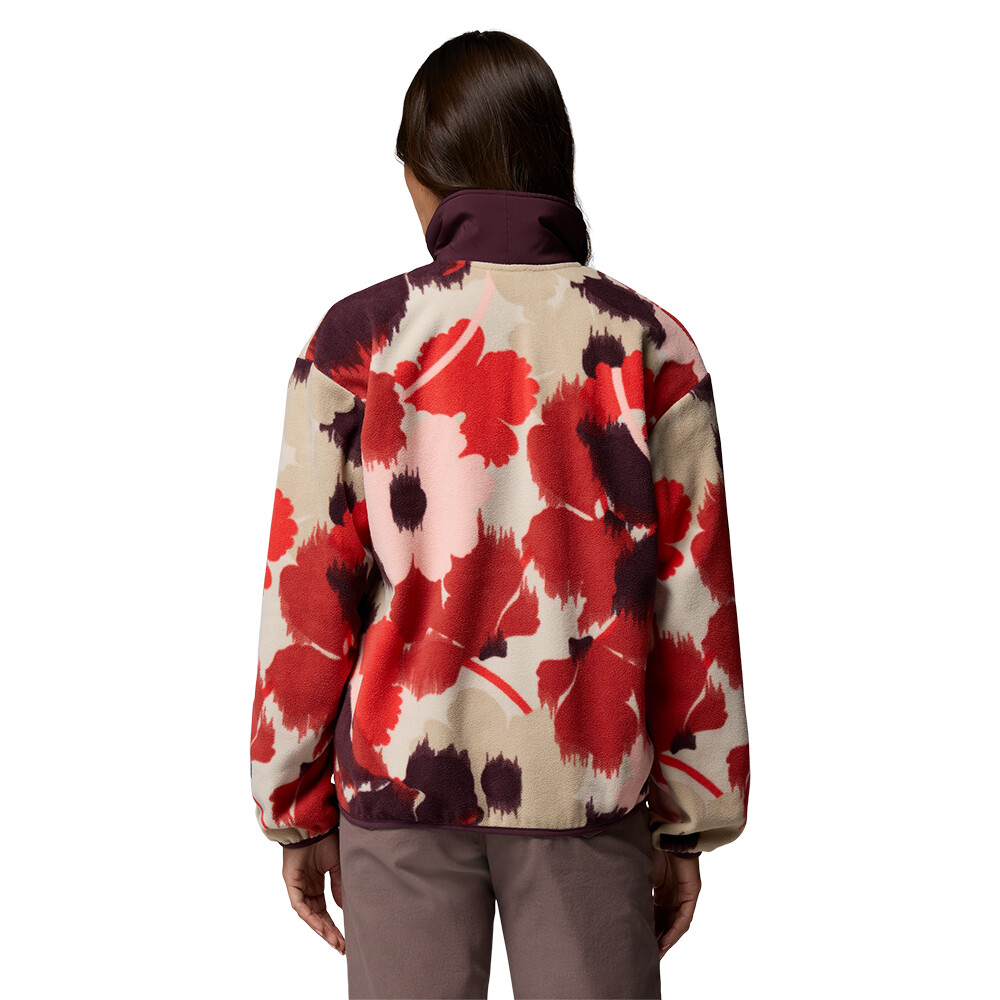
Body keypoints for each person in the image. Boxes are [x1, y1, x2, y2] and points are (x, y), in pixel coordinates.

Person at [249, 28, 750, 1000]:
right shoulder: (650, 343)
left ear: (422, 175)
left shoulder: (359, 342)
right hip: (587, 785)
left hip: (400, 780)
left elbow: (306, 589)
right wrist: (691, 819)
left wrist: (294, 807)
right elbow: (694, 600)